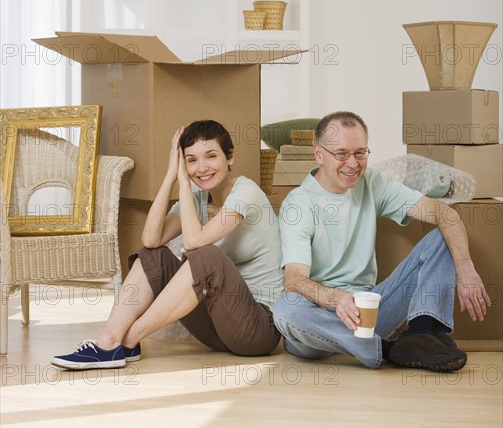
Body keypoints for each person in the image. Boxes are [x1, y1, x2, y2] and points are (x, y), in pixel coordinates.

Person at [52, 120, 283, 369]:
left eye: (211, 156)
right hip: (218, 328)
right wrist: (170, 176)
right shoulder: (197, 200)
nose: (201, 168)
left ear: (229, 157)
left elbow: (195, 241)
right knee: (154, 255)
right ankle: (108, 341)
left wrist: (184, 183)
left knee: (206, 256)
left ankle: (128, 339)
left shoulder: (247, 193)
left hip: (257, 330)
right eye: (191, 160)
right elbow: (151, 239)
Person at [273, 111, 490, 372]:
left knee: (442, 237)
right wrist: (337, 298)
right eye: (341, 154)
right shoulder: (298, 204)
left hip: (368, 314)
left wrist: (466, 271)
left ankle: (423, 335)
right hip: (316, 323)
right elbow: (294, 280)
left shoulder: (373, 182)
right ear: (319, 154)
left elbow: (446, 215)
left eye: (360, 153)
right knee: (286, 309)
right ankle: (389, 350)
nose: (352, 163)